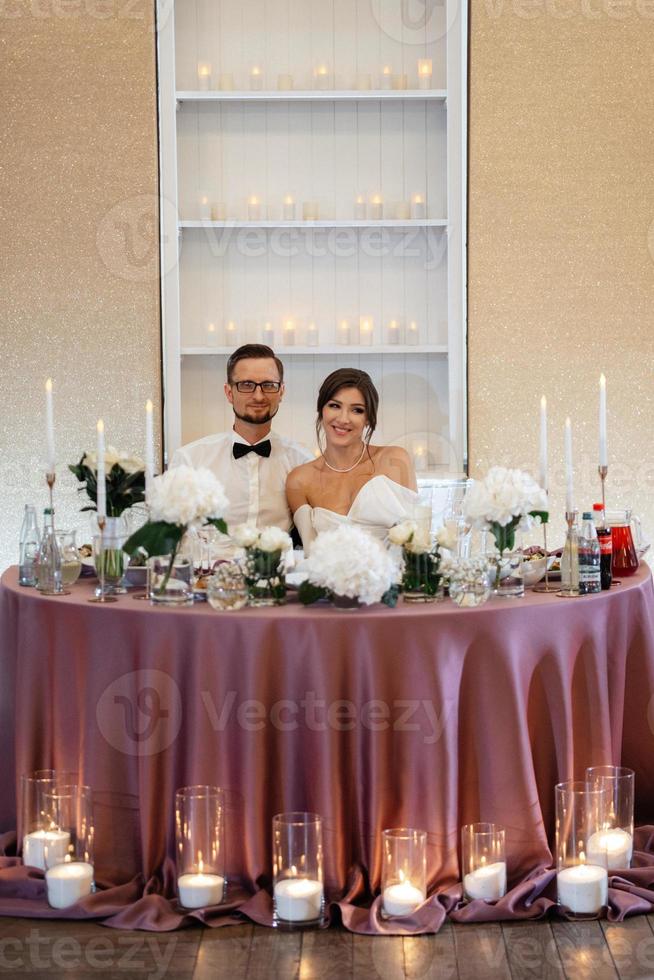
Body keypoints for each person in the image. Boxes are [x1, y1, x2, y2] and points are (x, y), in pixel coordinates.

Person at [171, 344, 312, 532]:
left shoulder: (302, 463)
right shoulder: (190, 460)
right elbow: (170, 536)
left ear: (281, 392)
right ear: (229, 393)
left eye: (268, 385)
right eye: (246, 385)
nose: (258, 396)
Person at [286, 368, 418, 555]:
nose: (343, 419)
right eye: (334, 406)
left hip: (398, 581)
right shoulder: (299, 480)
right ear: (321, 409)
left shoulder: (394, 460)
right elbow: (311, 553)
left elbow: (416, 542)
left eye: (357, 410)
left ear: (368, 419)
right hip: (327, 581)